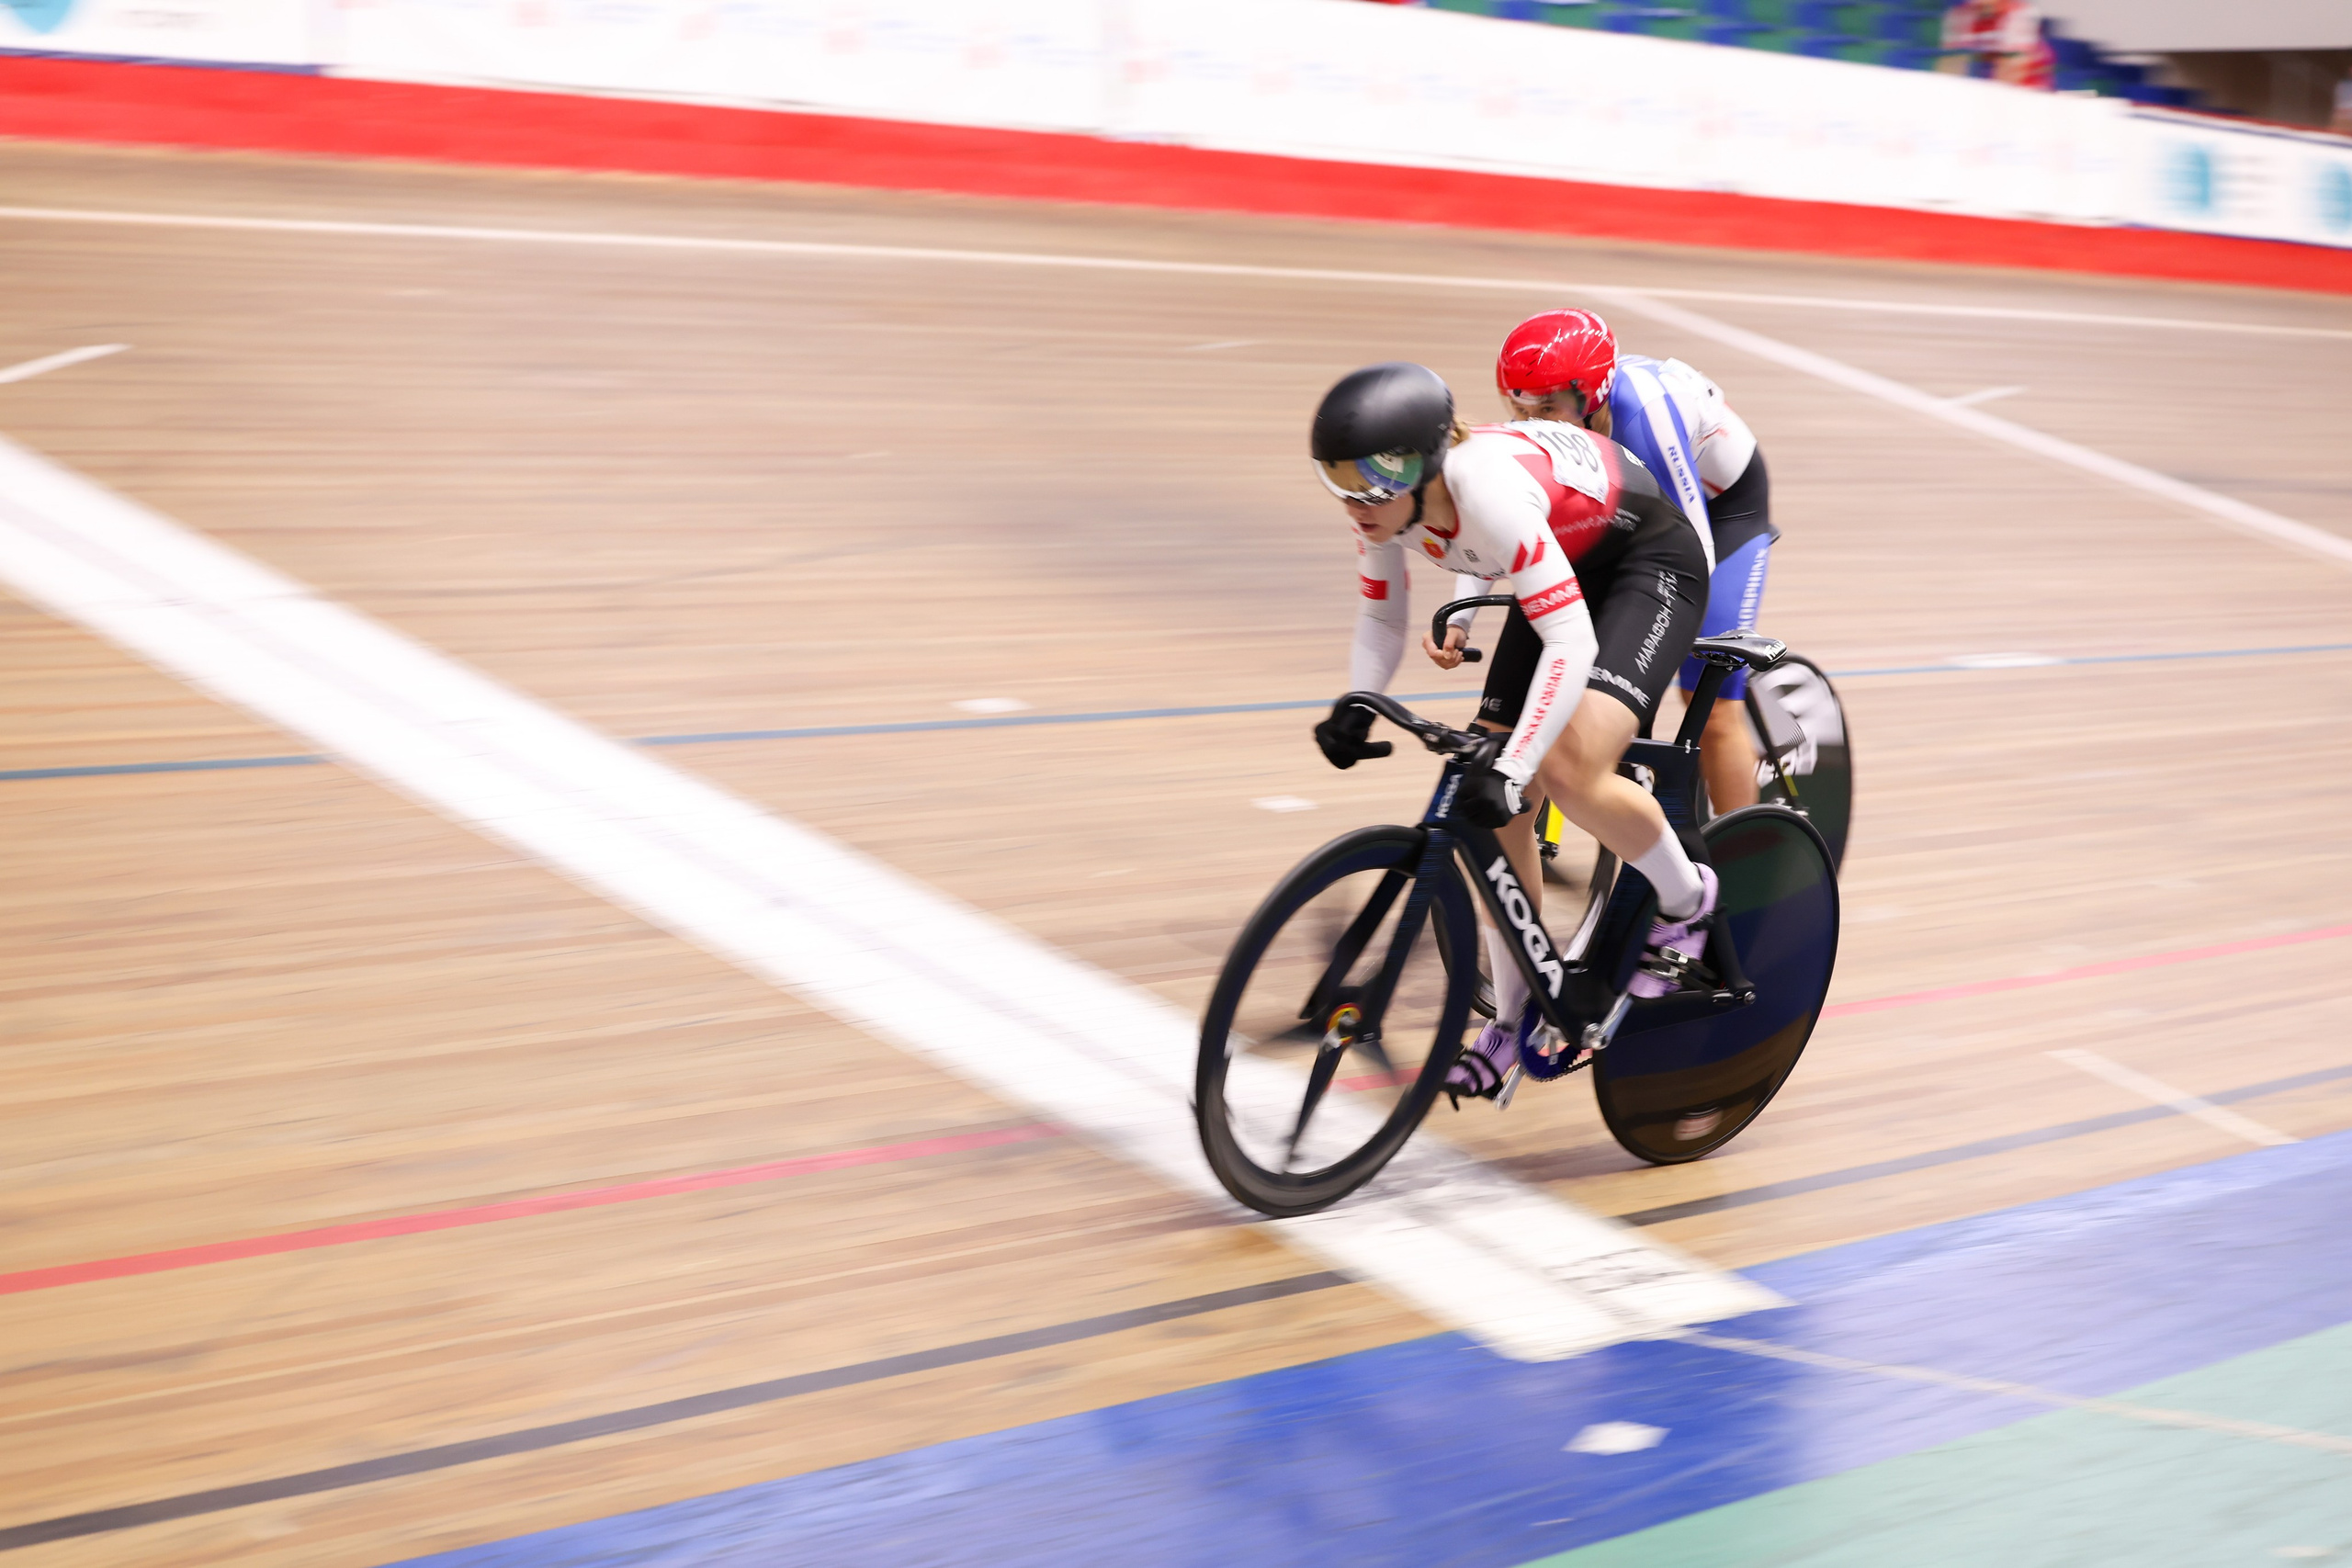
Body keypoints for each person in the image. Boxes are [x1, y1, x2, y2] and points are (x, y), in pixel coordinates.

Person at [1308, 361, 1714, 1102]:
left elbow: (1573, 646)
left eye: (1372, 479)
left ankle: (1688, 898)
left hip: (1646, 564)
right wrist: (1358, 700)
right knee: (1489, 793)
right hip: (1566, 558)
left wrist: (1521, 760)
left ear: (1427, 465)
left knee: (1562, 769)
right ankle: (1517, 1005)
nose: (1355, 499)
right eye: (1336, 478)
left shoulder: (1487, 496)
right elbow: (1382, 614)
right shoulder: (1385, 505)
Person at [1490, 308, 1775, 814]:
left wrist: (1654, 648)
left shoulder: (1645, 417)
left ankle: (1745, 866)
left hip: (1720, 511)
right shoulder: (1551, 415)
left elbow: (1694, 551)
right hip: (1634, 507)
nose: (1530, 422)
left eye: (1546, 407)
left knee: (1709, 710)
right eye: (1520, 406)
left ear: (1591, 398)